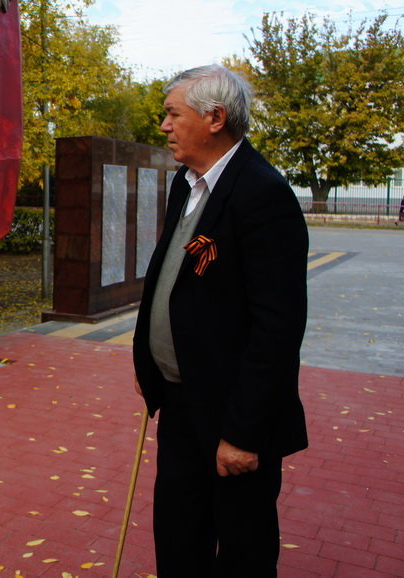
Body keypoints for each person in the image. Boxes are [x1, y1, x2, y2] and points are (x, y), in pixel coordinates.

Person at [132, 65, 309, 577]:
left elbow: (278, 328)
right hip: (182, 402)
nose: (164, 125)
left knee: (242, 549)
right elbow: (191, 269)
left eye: (172, 113)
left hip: (233, 416)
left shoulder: (262, 194)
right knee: (179, 535)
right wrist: (152, 359)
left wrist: (243, 434)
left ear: (214, 117)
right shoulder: (188, 185)